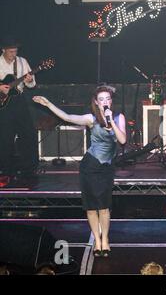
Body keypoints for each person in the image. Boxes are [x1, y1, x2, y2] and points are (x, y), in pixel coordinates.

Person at [33, 85, 126, 257]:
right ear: (96, 103)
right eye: (101, 99)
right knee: (91, 208)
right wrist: (48, 105)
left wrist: (110, 121)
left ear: (111, 101)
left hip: (106, 168)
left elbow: (122, 139)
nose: (105, 101)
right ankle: (97, 242)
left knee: (104, 207)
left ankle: (105, 239)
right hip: (89, 167)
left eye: (107, 98)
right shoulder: (91, 119)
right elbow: (67, 117)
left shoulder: (119, 118)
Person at [0, 37, 38, 181]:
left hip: (19, 100)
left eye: (15, 51)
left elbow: (30, 84)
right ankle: (6, 169)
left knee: (28, 134)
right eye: (10, 52)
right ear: (3, 50)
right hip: (3, 104)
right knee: (5, 137)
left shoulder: (22, 61)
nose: (13, 54)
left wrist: (29, 80)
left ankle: (29, 169)